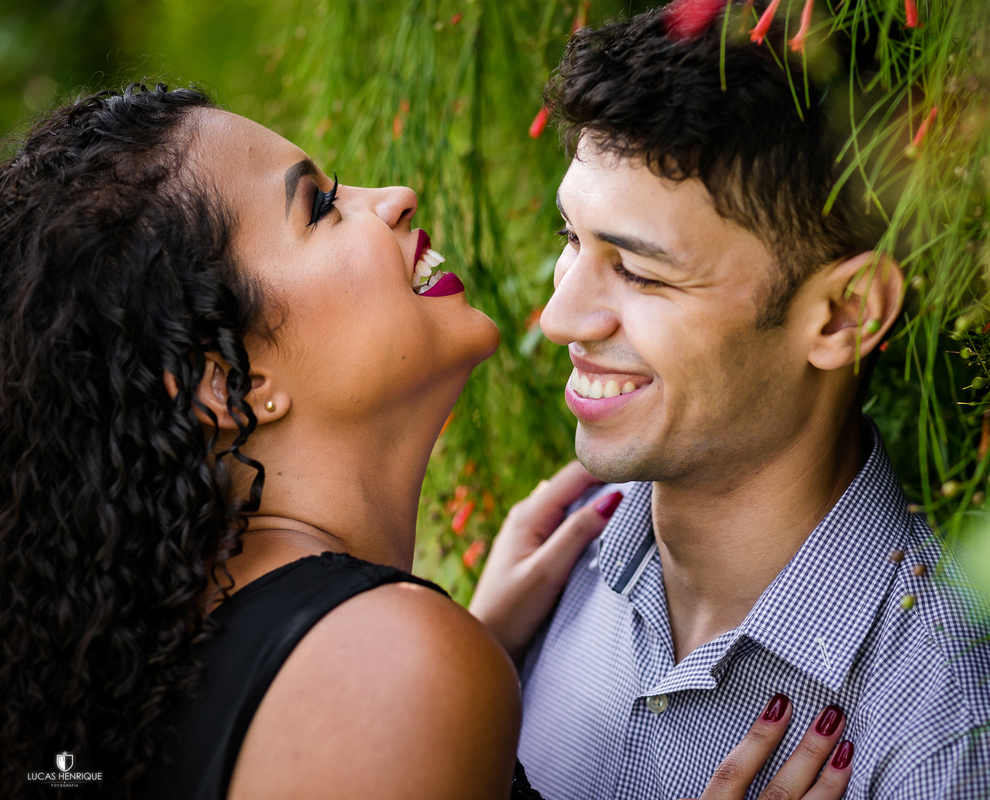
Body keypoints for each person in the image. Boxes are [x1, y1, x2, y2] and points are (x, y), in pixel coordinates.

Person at [0, 83, 854, 800]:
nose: (396, 195)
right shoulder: (388, 668)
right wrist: (417, 672)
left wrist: (460, 652)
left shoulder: (188, 646)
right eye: (321, 207)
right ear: (228, 386)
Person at [470, 3, 990, 799]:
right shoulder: (549, 576)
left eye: (639, 272)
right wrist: (463, 677)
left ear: (845, 315)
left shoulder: (951, 734)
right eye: (572, 238)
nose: (561, 315)